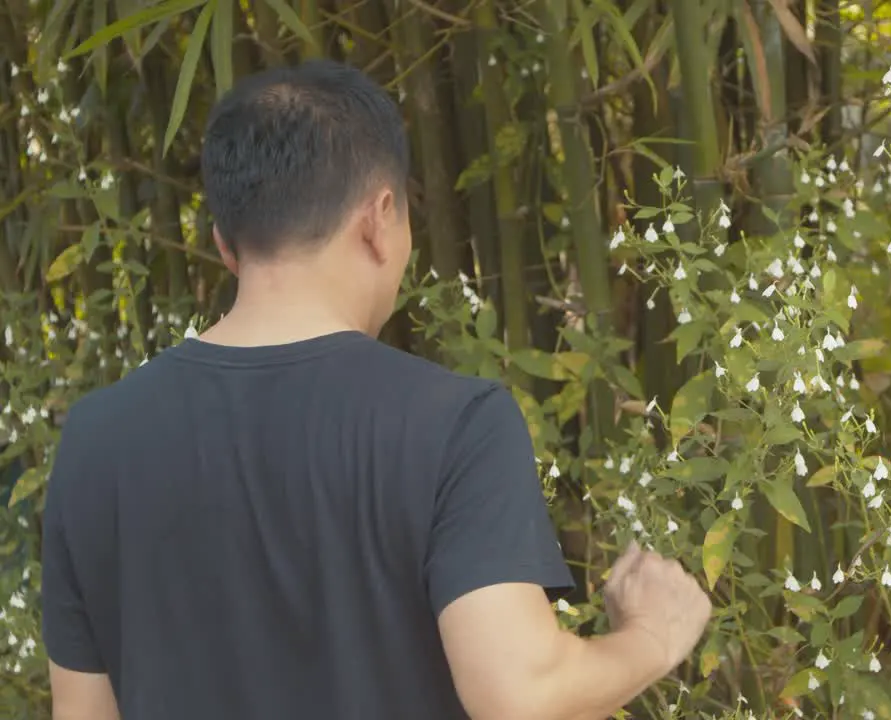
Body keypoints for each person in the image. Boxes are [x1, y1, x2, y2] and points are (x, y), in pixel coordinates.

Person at [42, 59, 712, 720]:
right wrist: (654, 634)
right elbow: (520, 696)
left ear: (225, 244)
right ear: (379, 218)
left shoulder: (97, 438)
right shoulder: (454, 424)